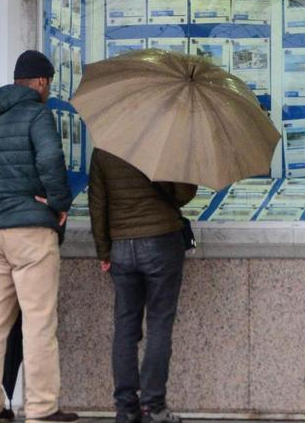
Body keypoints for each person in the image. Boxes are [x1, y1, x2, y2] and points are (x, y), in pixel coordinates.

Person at [0, 50, 78, 423]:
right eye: (47, 83)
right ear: (41, 81)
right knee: (38, 321)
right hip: (31, 231)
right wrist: (59, 203)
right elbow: (51, 161)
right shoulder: (37, 113)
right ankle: (41, 407)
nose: (48, 90)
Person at [89, 148, 197, 423]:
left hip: (121, 247)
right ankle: (153, 406)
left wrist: (104, 252)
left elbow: (97, 204)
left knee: (125, 327)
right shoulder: (163, 142)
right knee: (159, 324)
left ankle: (125, 408)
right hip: (161, 240)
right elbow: (183, 195)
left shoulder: (103, 149)